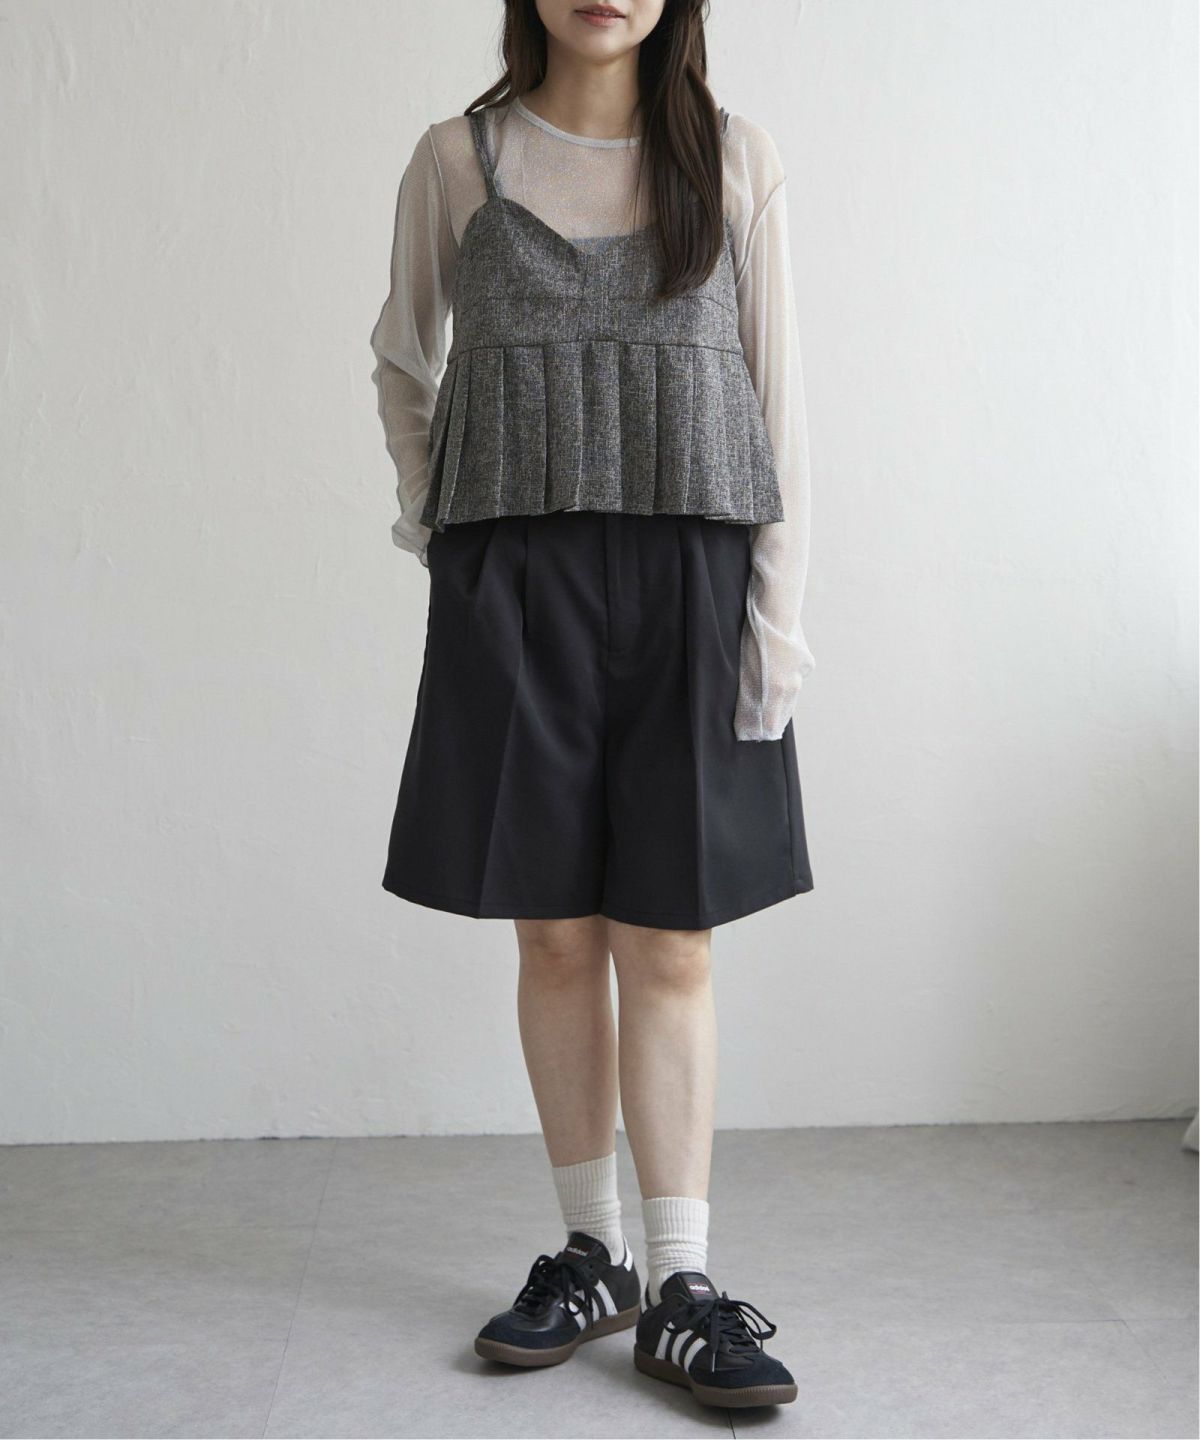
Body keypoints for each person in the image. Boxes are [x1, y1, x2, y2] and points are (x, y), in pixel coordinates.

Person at [368, 0, 815, 1412]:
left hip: (694, 575)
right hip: (517, 574)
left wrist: (777, 623)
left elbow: (783, 400)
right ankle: (594, 1252)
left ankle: (682, 1281)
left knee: (670, 936)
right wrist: (441, 519)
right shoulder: (459, 159)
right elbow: (401, 355)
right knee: (554, 930)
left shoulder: (733, 161)